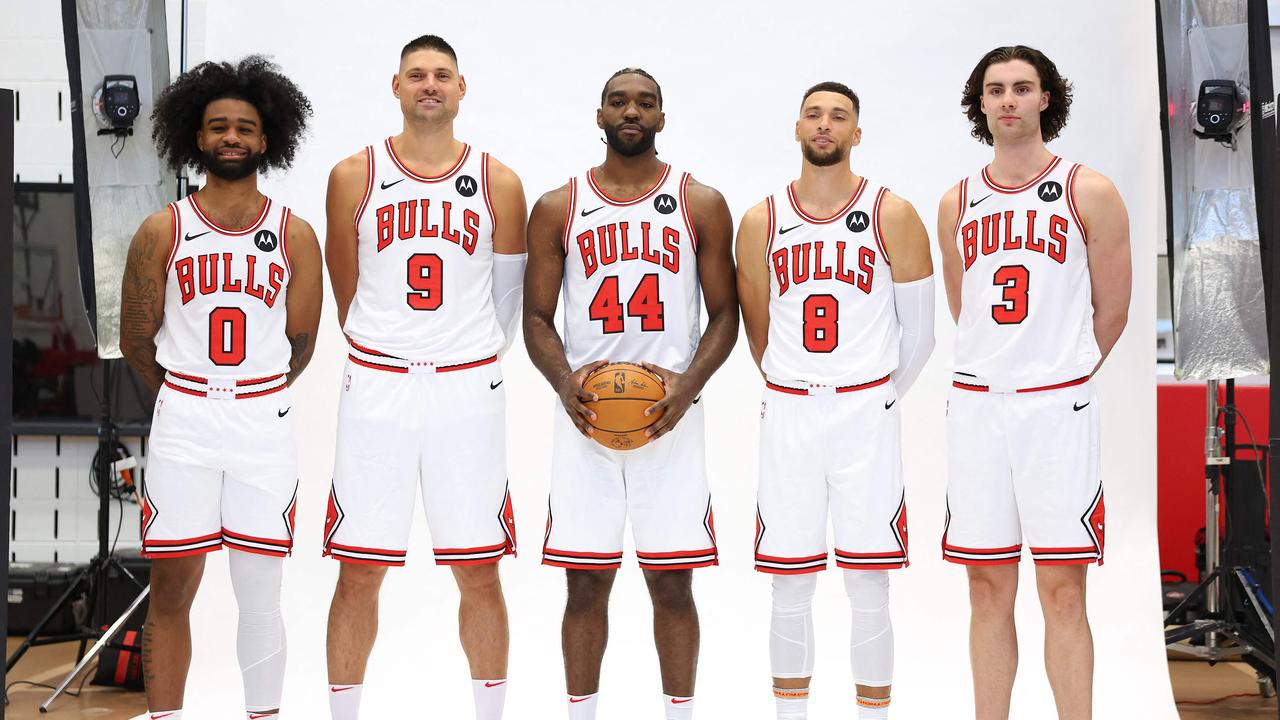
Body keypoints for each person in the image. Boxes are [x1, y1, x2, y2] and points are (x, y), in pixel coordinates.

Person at [321, 34, 527, 720]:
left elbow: (504, 303)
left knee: (478, 569)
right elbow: (346, 291)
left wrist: (457, 353)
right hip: (378, 384)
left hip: (465, 387)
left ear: (462, 88)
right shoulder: (355, 173)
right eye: (417, 74)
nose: (429, 84)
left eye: (441, 75)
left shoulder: (498, 181)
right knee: (359, 569)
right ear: (396, 86)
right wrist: (393, 344)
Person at [523, 68, 738, 720]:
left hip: (669, 420)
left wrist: (689, 384)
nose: (632, 110)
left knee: (672, 582)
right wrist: (565, 384)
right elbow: (535, 317)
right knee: (584, 583)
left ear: (662, 118)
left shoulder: (699, 201)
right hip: (586, 420)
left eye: (645, 102)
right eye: (619, 101)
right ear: (599, 115)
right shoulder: (559, 206)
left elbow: (726, 313)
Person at [120, 55, 322, 720]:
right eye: (218, 127)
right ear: (195, 138)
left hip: (263, 420)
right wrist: (190, 390)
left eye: (245, 128)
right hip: (186, 419)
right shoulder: (163, 230)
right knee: (172, 587)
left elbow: (302, 341)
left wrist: (253, 390)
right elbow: (135, 340)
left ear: (267, 140)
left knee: (260, 588)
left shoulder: (295, 234)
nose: (232, 137)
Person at [936, 46, 1130, 720]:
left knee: (1062, 588)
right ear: (980, 103)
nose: (1009, 100)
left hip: (1056, 410)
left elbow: (1114, 311)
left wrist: (1057, 372)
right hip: (978, 407)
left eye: (1023, 88)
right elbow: (967, 310)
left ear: (1048, 98)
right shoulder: (956, 201)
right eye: (996, 90)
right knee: (986, 585)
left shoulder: (1088, 189)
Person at [735, 81, 935, 720]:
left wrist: (875, 394)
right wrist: (796, 383)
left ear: (857, 132)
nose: (825, 125)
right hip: (790, 409)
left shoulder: (892, 212)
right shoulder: (762, 218)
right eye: (814, 115)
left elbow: (922, 334)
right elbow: (758, 330)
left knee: (869, 586)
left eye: (839, 116)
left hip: (864, 413)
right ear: (797, 128)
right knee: (788, 583)